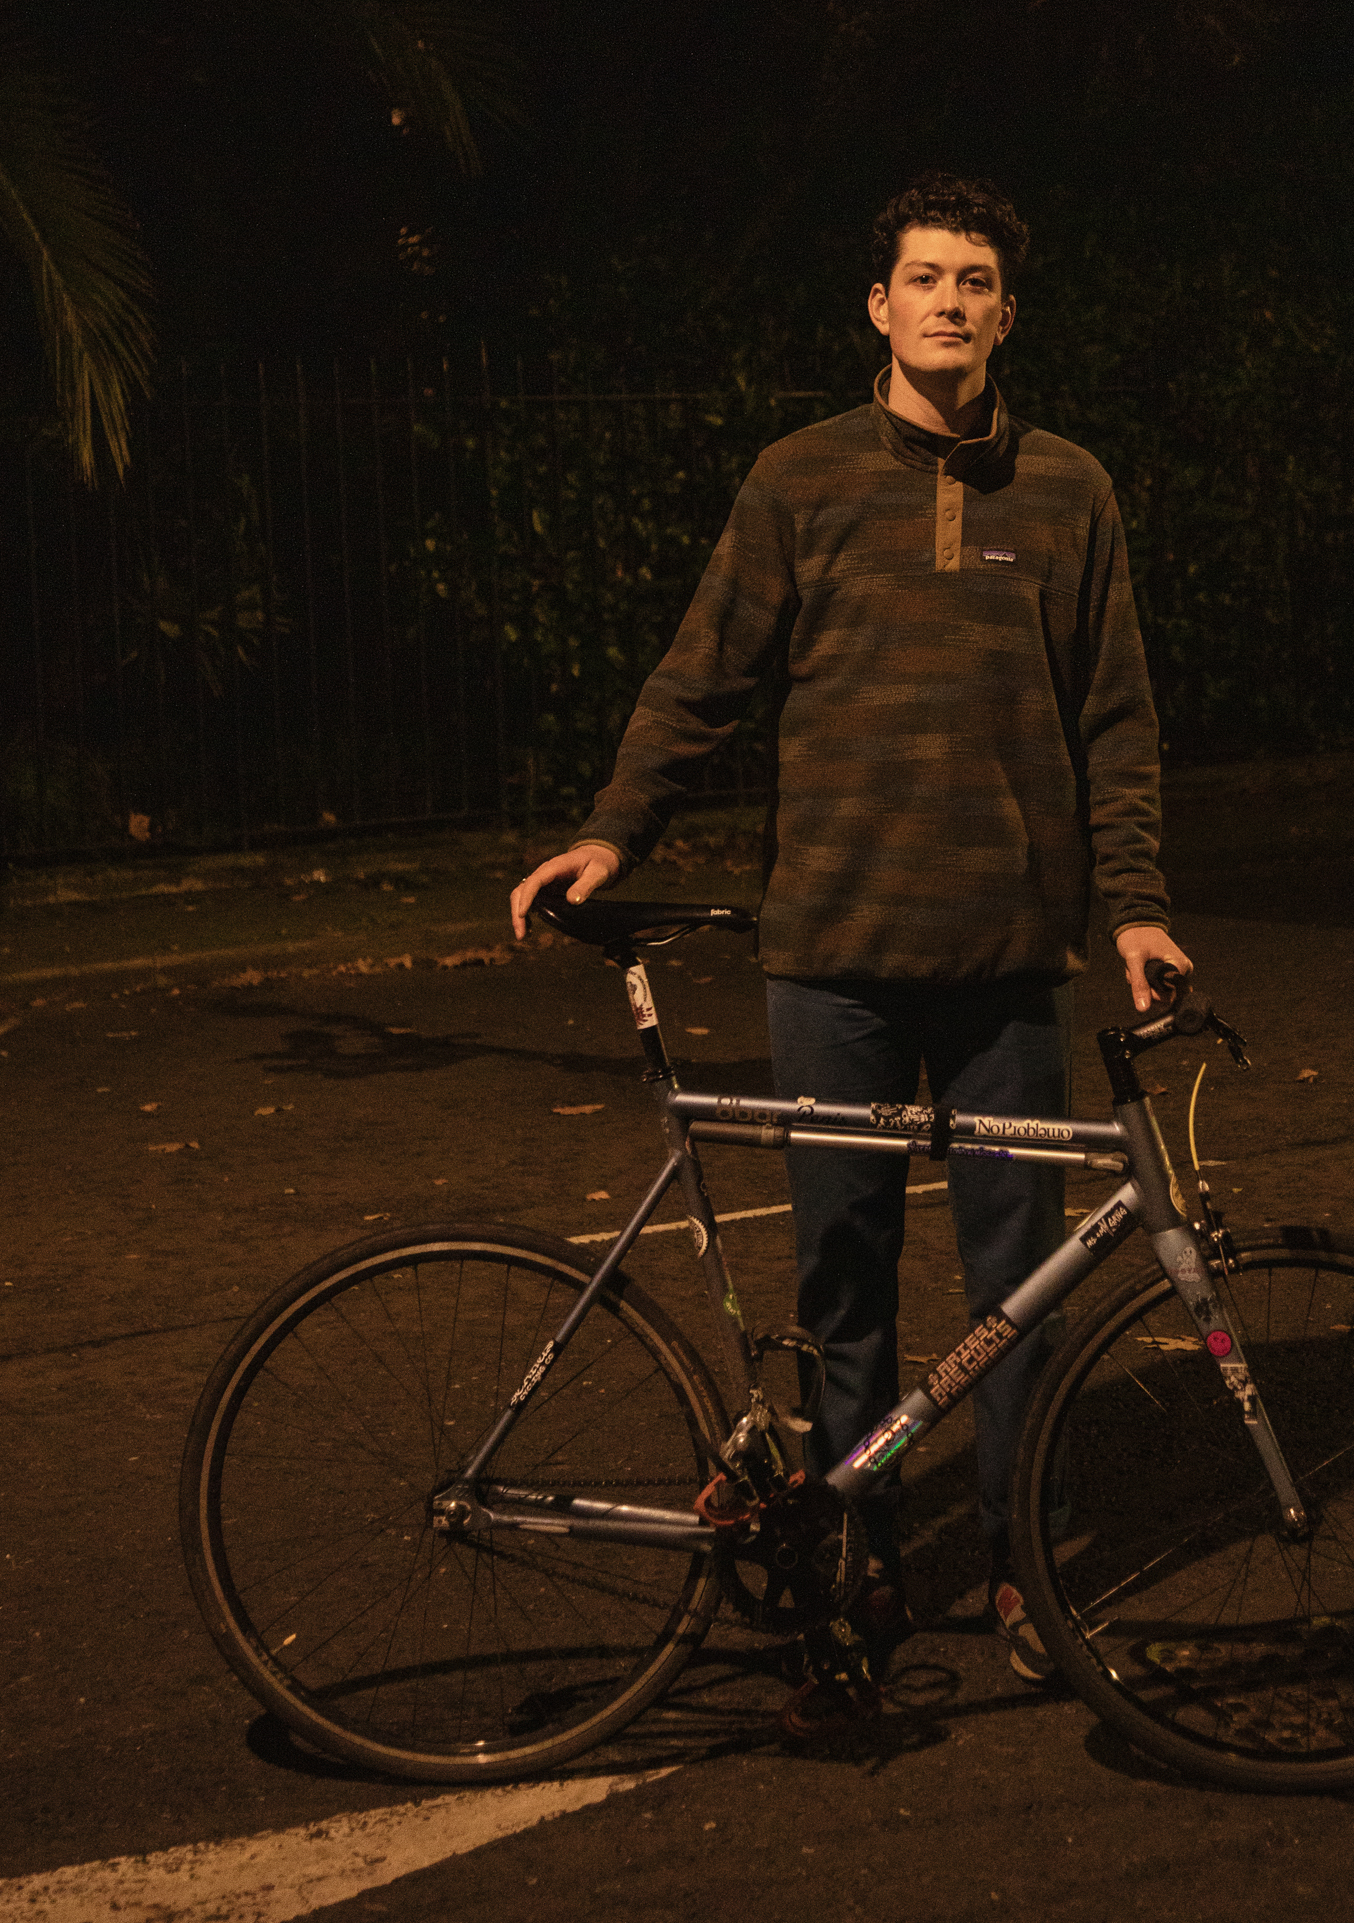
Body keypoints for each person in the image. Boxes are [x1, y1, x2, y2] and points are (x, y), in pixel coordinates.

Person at [510, 171, 1189, 1731]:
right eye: (924, 277)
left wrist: (1137, 902)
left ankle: (1023, 1564)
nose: (950, 300)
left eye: (978, 281)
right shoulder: (799, 479)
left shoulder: (1074, 491)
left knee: (1022, 1284)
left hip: (1014, 955)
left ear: (1007, 314)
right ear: (878, 307)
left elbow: (1118, 722)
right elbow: (704, 675)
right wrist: (620, 826)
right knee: (846, 1281)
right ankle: (857, 1561)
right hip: (833, 959)